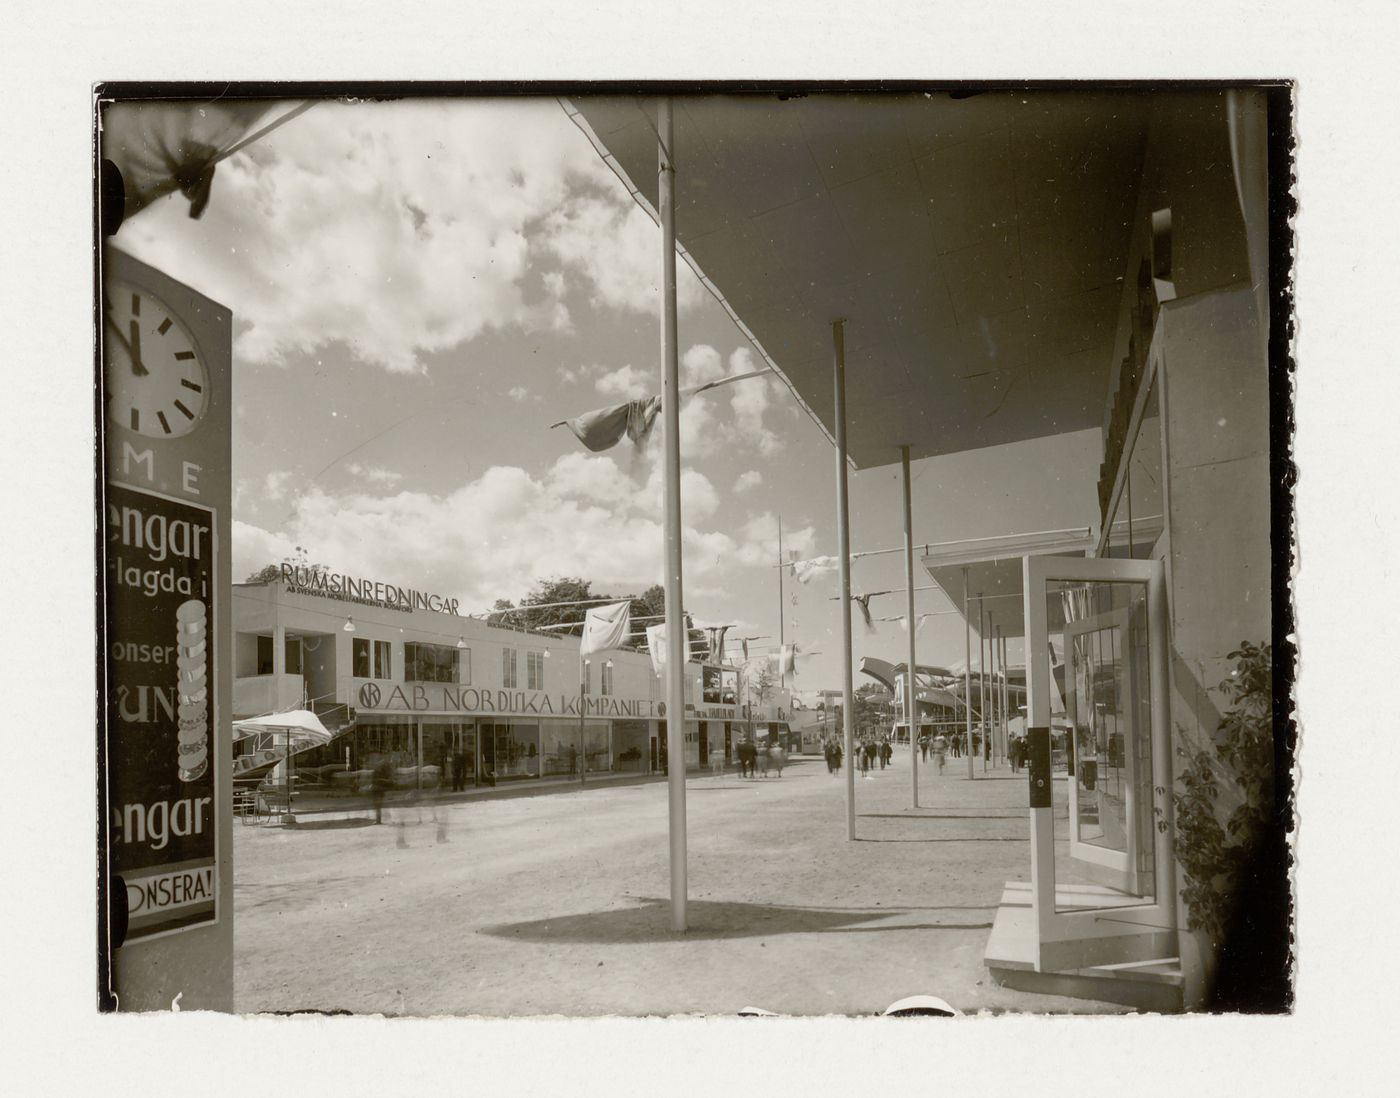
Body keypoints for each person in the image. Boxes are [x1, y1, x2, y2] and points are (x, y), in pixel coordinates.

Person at [370, 753, 393, 824]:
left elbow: (378, 779)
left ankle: (378, 820)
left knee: (377, 805)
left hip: (378, 788)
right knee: (377, 805)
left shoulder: (379, 767)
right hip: (378, 788)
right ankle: (378, 819)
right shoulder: (380, 767)